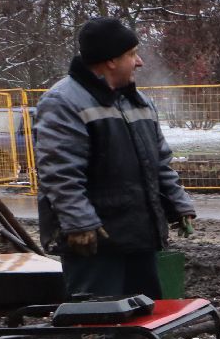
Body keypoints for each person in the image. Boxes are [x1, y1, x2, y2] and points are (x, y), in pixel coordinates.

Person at [33, 17, 196, 299]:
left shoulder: (138, 102)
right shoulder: (63, 102)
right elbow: (60, 173)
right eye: (132, 54)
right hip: (94, 243)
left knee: (144, 320)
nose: (140, 62)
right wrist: (80, 223)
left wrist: (178, 204)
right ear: (110, 61)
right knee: (99, 323)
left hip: (139, 236)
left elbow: (159, 162)